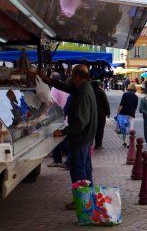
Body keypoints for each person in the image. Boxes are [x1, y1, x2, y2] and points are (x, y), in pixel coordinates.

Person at [38, 64, 97, 210]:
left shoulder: (83, 92)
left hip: (80, 138)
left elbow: (80, 122)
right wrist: (48, 80)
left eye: (72, 76)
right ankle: (88, 199)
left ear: (77, 76)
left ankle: (81, 201)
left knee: (78, 170)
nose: (70, 78)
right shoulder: (84, 88)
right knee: (85, 169)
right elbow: (68, 88)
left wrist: (63, 132)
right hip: (85, 138)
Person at [47, 72, 69, 167]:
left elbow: (51, 103)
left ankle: (57, 160)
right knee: (63, 139)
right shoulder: (64, 87)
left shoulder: (55, 89)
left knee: (56, 139)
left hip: (57, 118)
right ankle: (68, 159)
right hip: (64, 117)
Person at [91, 80, 110, 149]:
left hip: (91, 114)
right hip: (101, 114)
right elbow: (106, 103)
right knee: (100, 129)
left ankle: (90, 143)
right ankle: (98, 144)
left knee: (91, 129)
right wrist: (108, 112)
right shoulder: (101, 92)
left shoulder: (89, 92)